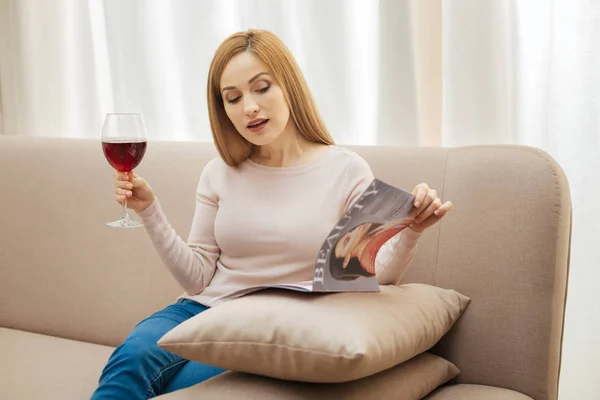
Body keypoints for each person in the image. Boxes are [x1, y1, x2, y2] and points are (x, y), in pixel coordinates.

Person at [91, 29, 453, 399]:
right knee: (129, 360)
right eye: (232, 98)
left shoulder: (346, 170)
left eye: (261, 88)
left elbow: (373, 275)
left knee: (186, 388)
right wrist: (149, 211)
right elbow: (198, 278)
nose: (248, 107)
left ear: (289, 86)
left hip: (271, 326)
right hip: (199, 309)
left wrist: (411, 230)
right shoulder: (219, 171)